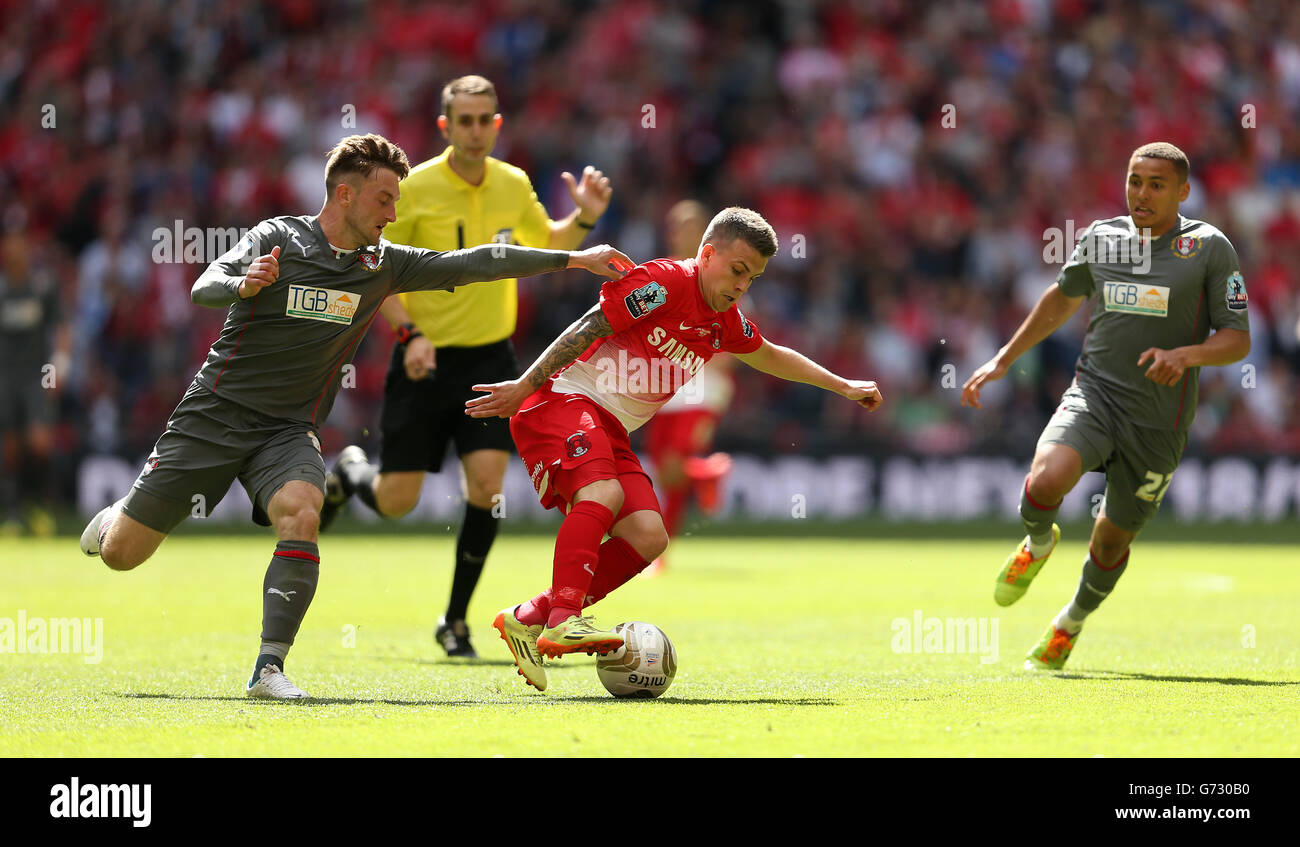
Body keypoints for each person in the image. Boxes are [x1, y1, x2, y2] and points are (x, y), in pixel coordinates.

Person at [78, 132, 633, 699]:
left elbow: (475, 263)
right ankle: (120, 515)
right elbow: (204, 285)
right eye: (384, 200)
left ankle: (268, 670)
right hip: (215, 415)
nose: (394, 214)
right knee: (123, 556)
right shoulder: (278, 238)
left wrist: (572, 258)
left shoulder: (382, 265)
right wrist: (242, 282)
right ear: (344, 196)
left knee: (302, 511)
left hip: (288, 429)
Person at [466, 207, 883, 692]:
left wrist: (842, 385)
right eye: (738, 270)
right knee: (602, 494)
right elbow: (588, 328)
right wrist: (524, 384)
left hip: (610, 427)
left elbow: (770, 354)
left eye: (753, 277)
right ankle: (564, 617)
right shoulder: (664, 283)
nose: (743, 284)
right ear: (707, 255)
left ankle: (527, 617)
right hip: (560, 399)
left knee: (649, 537)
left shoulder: (723, 322)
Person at [321, 75, 613, 659]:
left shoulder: (513, 183)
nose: (476, 130)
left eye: (486, 120)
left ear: (496, 125)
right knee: (397, 500)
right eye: (466, 120)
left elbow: (544, 241)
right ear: (445, 127)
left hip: (490, 358)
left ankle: (455, 621)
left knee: (486, 486)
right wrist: (410, 334)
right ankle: (351, 472)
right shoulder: (415, 188)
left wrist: (582, 220)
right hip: (424, 357)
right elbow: (376, 268)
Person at [961, 142, 1250, 671]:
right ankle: (1038, 540)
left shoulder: (1210, 248)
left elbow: (1237, 339)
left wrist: (1184, 355)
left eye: (1156, 184)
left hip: (1158, 423)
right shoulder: (1103, 238)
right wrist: (1005, 358)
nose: (1141, 193)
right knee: (1047, 480)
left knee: (1113, 539)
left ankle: (1069, 622)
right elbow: (1062, 296)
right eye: (1135, 180)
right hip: (1094, 395)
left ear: (1182, 192)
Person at [639, 200, 736, 576]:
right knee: (666, 474)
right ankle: (704, 476)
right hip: (663, 388)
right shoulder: (662, 277)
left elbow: (735, 344)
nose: (686, 233)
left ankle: (660, 551)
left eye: (693, 226)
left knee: (674, 467)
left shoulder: (724, 279)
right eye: (680, 226)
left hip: (703, 387)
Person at [0, 224, 69, 536]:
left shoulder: (43, 285)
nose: (16, 249)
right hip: (5, 375)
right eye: (11, 242)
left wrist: (58, 369)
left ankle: (40, 505)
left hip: (38, 375)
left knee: (40, 442)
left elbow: (61, 330)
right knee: (10, 447)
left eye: (21, 242)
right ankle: (12, 511)